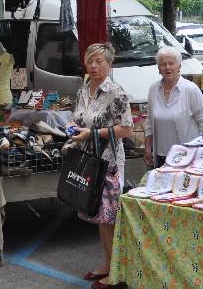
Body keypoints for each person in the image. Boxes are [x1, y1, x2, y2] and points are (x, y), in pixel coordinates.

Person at [66, 43, 133, 289]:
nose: (94, 66)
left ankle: (117, 270)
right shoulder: (84, 89)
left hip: (110, 162)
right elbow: (76, 117)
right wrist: (72, 128)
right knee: (100, 215)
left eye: (99, 62)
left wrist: (90, 134)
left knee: (110, 217)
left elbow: (125, 129)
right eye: (90, 61)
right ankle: (107, 263)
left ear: (109, 64)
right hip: (89, 160)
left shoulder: (116, 92)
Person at [143, 46, 203, 168]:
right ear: (158, 68)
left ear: (179, 67)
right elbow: (149, 121)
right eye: (163, 64)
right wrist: (148, 147)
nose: (167, 67)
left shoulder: (191, 89)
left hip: (187, 155)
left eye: (171, 63)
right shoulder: (153, 89)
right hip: (161, 156)